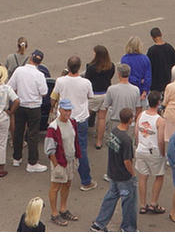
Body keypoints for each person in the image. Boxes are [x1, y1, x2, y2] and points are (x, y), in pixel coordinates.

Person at [50, 56, 95, 191]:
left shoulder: (60, 81)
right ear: (79, 67)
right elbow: (90, 96)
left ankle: (62, 176)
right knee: (81, 149)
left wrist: (53, 108)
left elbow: (53, 97)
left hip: (64, 119)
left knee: (61, 147)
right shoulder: (86, 82)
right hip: (80, 119)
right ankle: (86, 180)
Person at [89, 107, 138, 232]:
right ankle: (128, 228)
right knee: (129, 203)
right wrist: (132, 174)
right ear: (130, 120)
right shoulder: (126, 140)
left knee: (110, 198)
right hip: (123, 176)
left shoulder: (114, 132)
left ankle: (99, 224)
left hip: (112, 172)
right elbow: (127, 161)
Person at [8, 49, 49, 173]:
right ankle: (32, 162)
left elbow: (10, 86)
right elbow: (44, 92)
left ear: (30, 57)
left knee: (18, 131)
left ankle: (17, 157)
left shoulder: (19, 70)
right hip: (34, 107)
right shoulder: (39, 75)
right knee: (33, 134)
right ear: (39, 62)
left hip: (20, 104)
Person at [44, 98, 80, 226]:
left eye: (69, 110)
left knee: (67, 184)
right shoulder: (53, 127)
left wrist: (76, 157)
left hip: (70, 160)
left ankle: (63, 209)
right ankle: (54, 214)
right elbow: (49, 150)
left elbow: (74, 141)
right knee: (55, 187)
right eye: (65, 110)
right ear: (59, 110)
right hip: (59, 162)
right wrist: (56, 165)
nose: (68, 113)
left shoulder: (72, 122)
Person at [135, 90, 167, 215]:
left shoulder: (141, 115)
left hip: (141, 149)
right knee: (159, 176)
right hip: (153, 151)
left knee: (143, 177)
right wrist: (162, 153)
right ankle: (153, 203)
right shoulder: (159, 120)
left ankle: (143, 205)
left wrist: (138, 145)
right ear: (158, 103)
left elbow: (136, 133)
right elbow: (160, 140)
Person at [98, 63, 142, 151]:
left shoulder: (112, 89)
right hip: (130, 123)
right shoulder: (136, 90)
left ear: (118, 74)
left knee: (114, 149)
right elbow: (138, 108)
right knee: (127, 149)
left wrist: (102, 119)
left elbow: (105, 107)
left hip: (115, 122)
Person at [84, 45, 114, 137]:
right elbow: (110, 77)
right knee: (102, 118)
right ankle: (99, 141)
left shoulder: (91, 67)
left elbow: (87, 80)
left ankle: (81, 135)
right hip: (105, 94)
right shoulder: (111, 66)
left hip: (94, 95)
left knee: (84, 116)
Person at [147, 27, 175, 95]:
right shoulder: (169, 47)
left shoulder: (151, 51)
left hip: (155, 84)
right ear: (161, 34)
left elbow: (148, 66)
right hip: (168, 81)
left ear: (152, 37)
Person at [121, 36, 152, 103]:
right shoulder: (145, 59)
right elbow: (148, 77)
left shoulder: (125, 59)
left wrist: (135, 80)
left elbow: (125, 76)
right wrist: (145, 91)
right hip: (141, 91)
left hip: (128, 90)